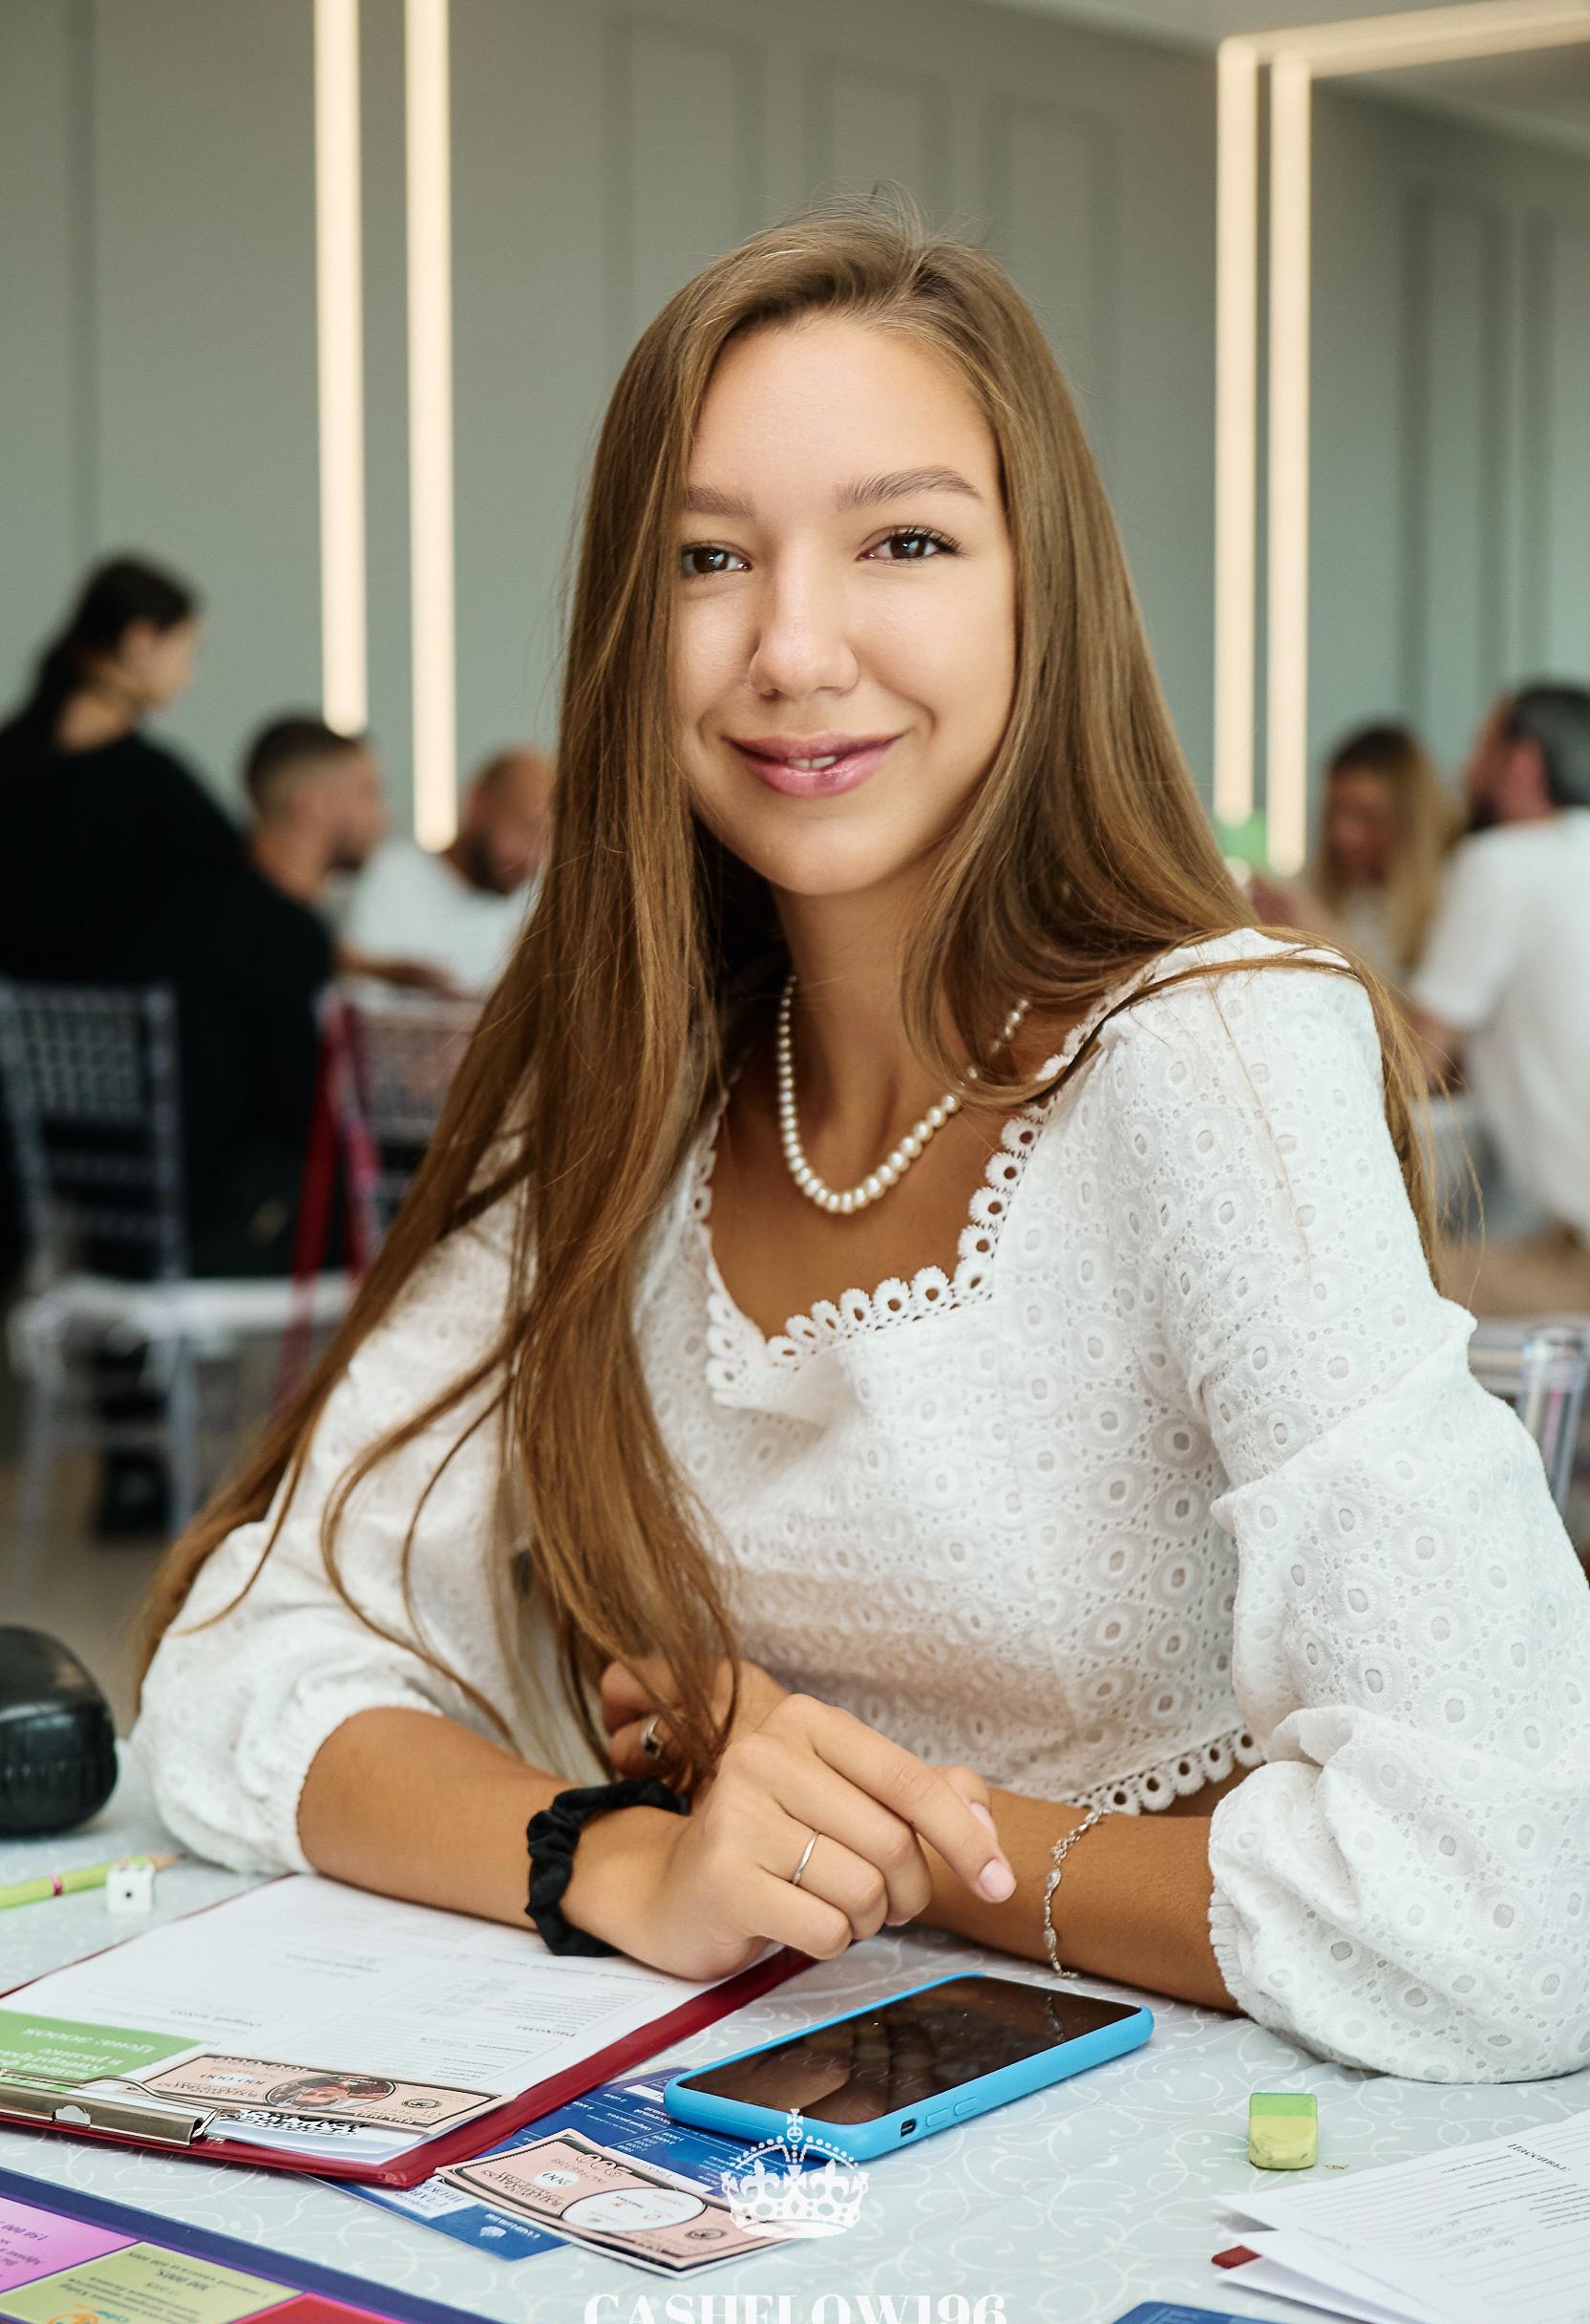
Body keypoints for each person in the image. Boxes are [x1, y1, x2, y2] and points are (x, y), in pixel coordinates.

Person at [135, 200, 1590, 2086]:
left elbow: (1506, 1910)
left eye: (903, 540)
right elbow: (235, 1677)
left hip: (1211, 2137)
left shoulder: (1211, 1049)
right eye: (707, 558)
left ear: (1037, 592)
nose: (793, 647)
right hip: (797, 2118)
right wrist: (625, 1855)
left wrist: (897, 1839)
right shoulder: (637, 1094)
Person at [130, 715, 388, 1278]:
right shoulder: (283, 935)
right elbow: (309, 1111)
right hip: (240, 1227)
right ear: (311, 803)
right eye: (369, 792)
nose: (382, 816)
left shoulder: (191, 910)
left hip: (136, 1226)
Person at [1409, 683, 1590, 1315]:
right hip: (1558, 1237)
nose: (1463, 770)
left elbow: (1416, 1061)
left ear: (1522, 763)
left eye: (1479, 749)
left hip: (1577, 1259)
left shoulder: (1499, 864)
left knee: (1373, 1278)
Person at [0, 555, 239, 984]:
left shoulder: (15, 754)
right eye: (188, 650)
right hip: (117, 1016)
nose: (189, 674)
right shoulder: (152, 785)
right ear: (140, 641)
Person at [1251, 723, 1454, 990]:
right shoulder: (1311, 889)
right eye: (1336, 811)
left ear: (1411, 820)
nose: (1344, 834)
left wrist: (1324, 938)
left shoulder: (1452, 893)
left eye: (1368, 816)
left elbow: (1414, 1016)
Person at [342, 747, 553, 993]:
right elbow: (354, 991)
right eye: (526, 828)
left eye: (548, 839)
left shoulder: (537, 902)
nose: (534, 857)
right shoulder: (390, 876)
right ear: (478, 803)